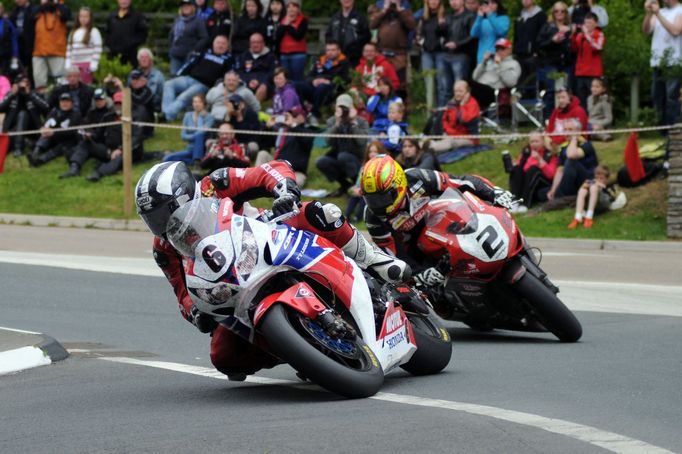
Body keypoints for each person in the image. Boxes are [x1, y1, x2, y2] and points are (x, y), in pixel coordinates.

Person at [135, 160, 408, 380]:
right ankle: (305, 351)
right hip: (234, 286)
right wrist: (194, 314)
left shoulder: (214, 184)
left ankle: (374, 260)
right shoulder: (164, 247)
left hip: (268, 236)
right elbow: (180, 290)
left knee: (321, 213)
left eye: (161, 213)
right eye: (151, 219)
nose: (159, 223)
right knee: (224, 357)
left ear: (184, 196)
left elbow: (267, 170)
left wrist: (284, 189)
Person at [360, 154, 514, 284]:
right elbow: (392, 255)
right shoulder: (373, 217)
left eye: (383, 198)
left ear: (399, 185)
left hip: (441, 222)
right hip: (414, 250)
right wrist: (418, 274)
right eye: (372, 199)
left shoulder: (417, 178)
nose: (378, 205)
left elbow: (459, 182)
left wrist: (494, 193)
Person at [162, 34, 233, 121]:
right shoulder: (204, 52)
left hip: (203, 85)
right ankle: (166, 112)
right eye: (218, 43)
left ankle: (166, 116)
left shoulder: (229, 59)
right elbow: (190, 64)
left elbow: (228, 76)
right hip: (189, 78)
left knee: (184, 96)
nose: (220, 45)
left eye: (223, 44)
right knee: (168, 84)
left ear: (227, 47)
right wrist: (178, 75)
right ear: (214, 44)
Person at [316, 94, 370, 196]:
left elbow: (361, 142)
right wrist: (337, 124)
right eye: (340, 107)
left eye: (345, 108)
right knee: (321, 161)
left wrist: (354, 124)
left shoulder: (361, 122)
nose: (343, 110)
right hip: (338, 156)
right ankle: (345, 185)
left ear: (351, 108)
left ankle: (358, 184)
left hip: (357, 158)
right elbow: (328, 142)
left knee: (343, 156)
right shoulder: (332, 121)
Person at [643, 0, 682, 126]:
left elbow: (675, 31)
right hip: (657, 60)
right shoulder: (661, 12)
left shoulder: (680, 10)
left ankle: (673, 127)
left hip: (673, 60)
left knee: (671, 97)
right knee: (657, 96)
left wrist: (658, 14)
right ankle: (661, 129)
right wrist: (649, 14)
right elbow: (646, 30)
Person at [294, 40, 350, 126]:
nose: (330, 52)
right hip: (315, 87)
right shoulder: (320, 61)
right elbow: (309, 76)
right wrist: (314, 81)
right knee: (296, 85)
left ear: (339, 51)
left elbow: (345, 80)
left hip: (331, 90)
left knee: (323, 87)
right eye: (328, 50)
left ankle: (314, 115)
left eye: (333, 50)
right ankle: (303, 112)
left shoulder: (344, 62)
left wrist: (328, 81)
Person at [368, 0, 417, 90]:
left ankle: (399, 102)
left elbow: (411, 25)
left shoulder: (405, 9)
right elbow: (372, 25)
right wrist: (384, 10)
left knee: (400, 85)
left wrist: (400, 10)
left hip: (399, 55)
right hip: (382, 54)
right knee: (381, 82)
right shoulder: (381, 9)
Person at [258, 105, 313, 186]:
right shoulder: (281, 130)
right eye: (288, 116)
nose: (290, 118)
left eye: (293, 115)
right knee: (262, 154)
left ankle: (274, 185)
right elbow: (263, 144)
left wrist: (293, 126)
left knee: (294, 184)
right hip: (276, 168)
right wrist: (267, 127)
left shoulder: (307, 131)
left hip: (295, 172)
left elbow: (305, 141)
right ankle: (257, 182)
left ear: (302, 118)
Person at [546, 118, 598, 200]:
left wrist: (574, 138)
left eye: (570, 129)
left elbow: (571, 155)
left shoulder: (586, 144)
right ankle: (561, 196)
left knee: (571, 162)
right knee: (543, 192)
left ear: (578, 131)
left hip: (588, 180)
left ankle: (563, 198)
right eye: (565, 130)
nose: (567, 132)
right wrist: (553, 189)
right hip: (571, 181)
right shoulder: (563, 147)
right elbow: (560, 171)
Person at [536, 1, 572, 118]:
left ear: (566, 13)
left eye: (562, 11)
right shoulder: (547, 27)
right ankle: (549, 119)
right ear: (553, 13)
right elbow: (539, 45)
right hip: (550, 63)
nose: (559, 13)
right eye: (556, 11)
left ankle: (567, 117)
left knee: (568, 91)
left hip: (567, 63)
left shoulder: (571, 28)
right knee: (551, 91)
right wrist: (553, 41)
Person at [0, 73, 49, 157]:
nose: (23, 85)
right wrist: (11, 94)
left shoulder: (34, 94)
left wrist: (30, 94)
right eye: (21, 83)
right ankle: (26, 142)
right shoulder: (11, 94)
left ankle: (19, 148)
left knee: (23, 114)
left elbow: (46, 107)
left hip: (32, 129)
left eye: (26, 82)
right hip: (13, 130)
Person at [27, 92, 82, 167]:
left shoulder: (76, 114)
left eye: (67, 101)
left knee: (62, 146)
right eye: (62, 101)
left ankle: (40, 161)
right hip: (55, 138)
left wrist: (53, 133)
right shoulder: (55, 112)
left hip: (68, 140)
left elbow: (71, 132)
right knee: (45, 135)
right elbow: (47, 123)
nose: (64, 103)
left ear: (72, 103)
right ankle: (35, 153)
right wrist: (43, 129)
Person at [506, 131, 558, 210]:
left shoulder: (550, 154)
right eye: (532, 142)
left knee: (533, 170)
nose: (534, 144)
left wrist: (540, 160)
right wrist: (514, 164)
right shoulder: (526, 151)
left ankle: (525, 204)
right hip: (528, 179)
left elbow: (551, 175)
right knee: (516, 169)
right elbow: (520, 167)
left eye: (536, 141)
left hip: (543, 182)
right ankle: (515, 201)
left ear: (543, 142)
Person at [472, 37, 520, 117]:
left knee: (469, 86)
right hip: (479, 88)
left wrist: (499, 65)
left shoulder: (514, 64)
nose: (499, 51)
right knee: (464, 84)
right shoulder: (490, 62)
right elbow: (474, 77)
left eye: (502, 49)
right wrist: (484, 63)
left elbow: (511, 83)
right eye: (497, 49)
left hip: (494, 92)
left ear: (509, 50)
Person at [441, 0, 476, 106]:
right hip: (447, 54)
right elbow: (442, 35)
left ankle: (462, 114)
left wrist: (457, 44)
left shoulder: (470, 16)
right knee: (446, 88)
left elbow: (473, 36)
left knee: (460, 89)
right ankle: (447, 115)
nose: (453, 2)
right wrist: (440, 26)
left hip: (461, 55)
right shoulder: (448, 16)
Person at [429, 80, 480, 153]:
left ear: (467, 92)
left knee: (450, 143)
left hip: (468, 138)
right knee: (442, 139)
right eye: (456, 91)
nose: (457, 94)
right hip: (451, 134)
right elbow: (445, 120)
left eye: (460, 91)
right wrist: (447, 131)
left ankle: (428, 148)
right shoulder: (451, 103)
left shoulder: (472, 104)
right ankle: (425, 147)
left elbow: (464, 119)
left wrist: (462, 105)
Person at [163, 94, 215, 165]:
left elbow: (201, 133)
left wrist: (200, 117)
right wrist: (194, 136)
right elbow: (183, 136)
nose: (197, 104)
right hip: (190, 148)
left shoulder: (209, 117)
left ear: (204, 104)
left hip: (202, 148)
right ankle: (196, 162)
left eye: (199, 102)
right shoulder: (187, 115)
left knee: (200, 136)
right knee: (168, 158)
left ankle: (197, 160)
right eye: (195, 102)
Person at [32, 0, 71, 89]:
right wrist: (42, 4)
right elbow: (29, 18)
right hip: (39, 52)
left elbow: (66, 15)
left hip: (57, 51)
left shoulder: (60, 9)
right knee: (39, 82)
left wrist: (56, 3)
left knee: (61, 81)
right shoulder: (38, 11)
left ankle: (62, 100)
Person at [416, 0, 447, 108]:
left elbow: (447, 35)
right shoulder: (423, 18)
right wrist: (423, 44)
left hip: (441, 53)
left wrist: (442, 26)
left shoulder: (445, 16)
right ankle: (430, 112)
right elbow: (418, 35)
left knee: (441, 83)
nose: (433, 2)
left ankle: (441, 111)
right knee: (429, 84)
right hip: (427, 53)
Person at [570, 12, 604, 108]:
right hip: (580, 72)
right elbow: (574, 49)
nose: (587, 25)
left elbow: (598, 47)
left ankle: (595, 119)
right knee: (582, 98)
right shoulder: (580, 36)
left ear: (595, 24)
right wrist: (573, 35)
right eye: (586, 23)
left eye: (589, 23)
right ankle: (584, 119)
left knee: (594, 98)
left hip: (593, 73)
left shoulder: (599, 34)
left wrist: (587, 36)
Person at [346, 140, 385, 222]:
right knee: (353, 197)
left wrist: (362, 191)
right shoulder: (364, 166)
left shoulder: (382, 168)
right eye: (370, 152)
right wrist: (355, 189)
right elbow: (358, 182)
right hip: (361, 190)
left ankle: (357, 217)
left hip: (372, 193)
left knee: (364, 198)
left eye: (375, 152)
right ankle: (347, 216)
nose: (372, 154)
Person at [169, 0, 210, 76]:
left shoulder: (198, 21)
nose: (186, 8)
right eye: (184, 6)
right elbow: (171, 35)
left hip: (189, 55)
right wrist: (171, 48)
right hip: (175, 54)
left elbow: (204, 38)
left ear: (192, 8)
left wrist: (194, 49)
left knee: (186, 76)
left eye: (188, 6)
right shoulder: (177, 19)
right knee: (174, 76)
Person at [567, 164, 615, 228]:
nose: (598, 179)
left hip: (603, 203)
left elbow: (605, 189)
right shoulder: (593, 182)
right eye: (597, 177)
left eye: (601, 178)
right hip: (594, 204)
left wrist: (595, 184)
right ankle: (578, 217)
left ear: (606, 179)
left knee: (593, 187)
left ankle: (589, 217)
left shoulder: (608, 184)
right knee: (582, 190)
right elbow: (583, 186)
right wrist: (589, 184)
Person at [325, 0, 371, 66]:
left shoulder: (360, 18)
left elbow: (366, 38)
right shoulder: (335, 18)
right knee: (326, 72)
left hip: (354, 60)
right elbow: (328, 36)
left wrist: (353, 49)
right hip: (335, 59)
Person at [512, 0, 546, 90]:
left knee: (532, 80)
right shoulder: (520, 15)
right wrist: (514, 50)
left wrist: (537, 51)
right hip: (519, 54)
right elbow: (516, 35)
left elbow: (542, 35)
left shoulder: (540, 15)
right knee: (521, 81)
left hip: (533, 55)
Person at [235, 32, 277, 102]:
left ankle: (254, 110)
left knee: (263, 88)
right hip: (247, 83)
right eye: (253, 42)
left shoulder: (271, 56)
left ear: (263, 44)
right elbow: (239, 71)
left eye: (258, 42)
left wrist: (259, 81)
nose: (256, 45)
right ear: (250, 44)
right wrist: (249, 81)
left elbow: (272, 73)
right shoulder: (243, 56)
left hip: (264, 84)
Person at [64, 7, 102, 85]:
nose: (83, 19)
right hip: (74, 64)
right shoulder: (73, 32)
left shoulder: (94, 31)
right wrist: (68, 64)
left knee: (85, 86)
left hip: (87, 65)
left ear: (90, 18)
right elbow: (69, 50)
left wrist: (93, 65)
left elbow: (97, 50)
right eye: (81, 16)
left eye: (86, 16)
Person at [105, 0, 148, 66]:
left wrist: (131, 43)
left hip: (131, 57)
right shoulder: (112, 16)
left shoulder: (137, 16)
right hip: (114, 56)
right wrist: (111, 45)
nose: (124, 1)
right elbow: (107, 33)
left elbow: (143, 35)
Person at [275, 0, 308, 81]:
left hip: (298, 54)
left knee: (297, 80)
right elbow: (278, 36)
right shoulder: (282, 20)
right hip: (284, 54)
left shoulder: (303, 20)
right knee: (285, 79)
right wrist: (285, 25)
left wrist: (288, 25)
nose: (291, 9)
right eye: (288, 7)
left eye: (294, 6)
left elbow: (298, 36)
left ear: (298, 9)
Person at [470, 0, 509, 65]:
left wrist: (490, 15)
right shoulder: (482, 20)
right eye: (487, 3)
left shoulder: (504, 18)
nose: (490, 5)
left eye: (493, 3)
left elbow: (500, 32)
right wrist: (479, 17)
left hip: (497, 58)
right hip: (482, 58)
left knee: (495, 74)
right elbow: (473, 34)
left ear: (498, 5)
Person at [127, 48, 165, 114]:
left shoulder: (158, 75)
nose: (144, 60)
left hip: (154, 105)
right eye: (141, 57)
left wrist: (144, 86)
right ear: (138, 61)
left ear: (150, 60)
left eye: (146, 57)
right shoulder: (133, 74)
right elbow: (128, 91)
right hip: (136, 104)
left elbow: (152, 96)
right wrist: (132, 87)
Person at [9, 0, 37, 79]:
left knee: (32, 71)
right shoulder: (14, 11)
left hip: (31, 46)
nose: (17, 1)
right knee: (18, 72)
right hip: (18, 46)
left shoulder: (34, 10)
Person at [0, 4, 20, 75]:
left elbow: (14, 39)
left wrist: (15, 55)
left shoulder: (7, 23)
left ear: (2, 10)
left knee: (6, 76)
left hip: (6, 56)